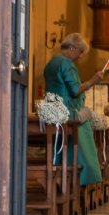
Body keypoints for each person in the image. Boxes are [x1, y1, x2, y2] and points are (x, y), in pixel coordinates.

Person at [43, 33, 104, 186]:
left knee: (59, 145)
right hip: (68, 113)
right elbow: (75, 90)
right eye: (80, 51)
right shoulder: (66, 63)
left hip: (53, 111)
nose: (81, 56)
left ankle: (60, 179)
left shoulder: (52, 62)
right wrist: (93, 81)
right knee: (84, 127)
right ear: (71, 48)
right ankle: (81, 180)